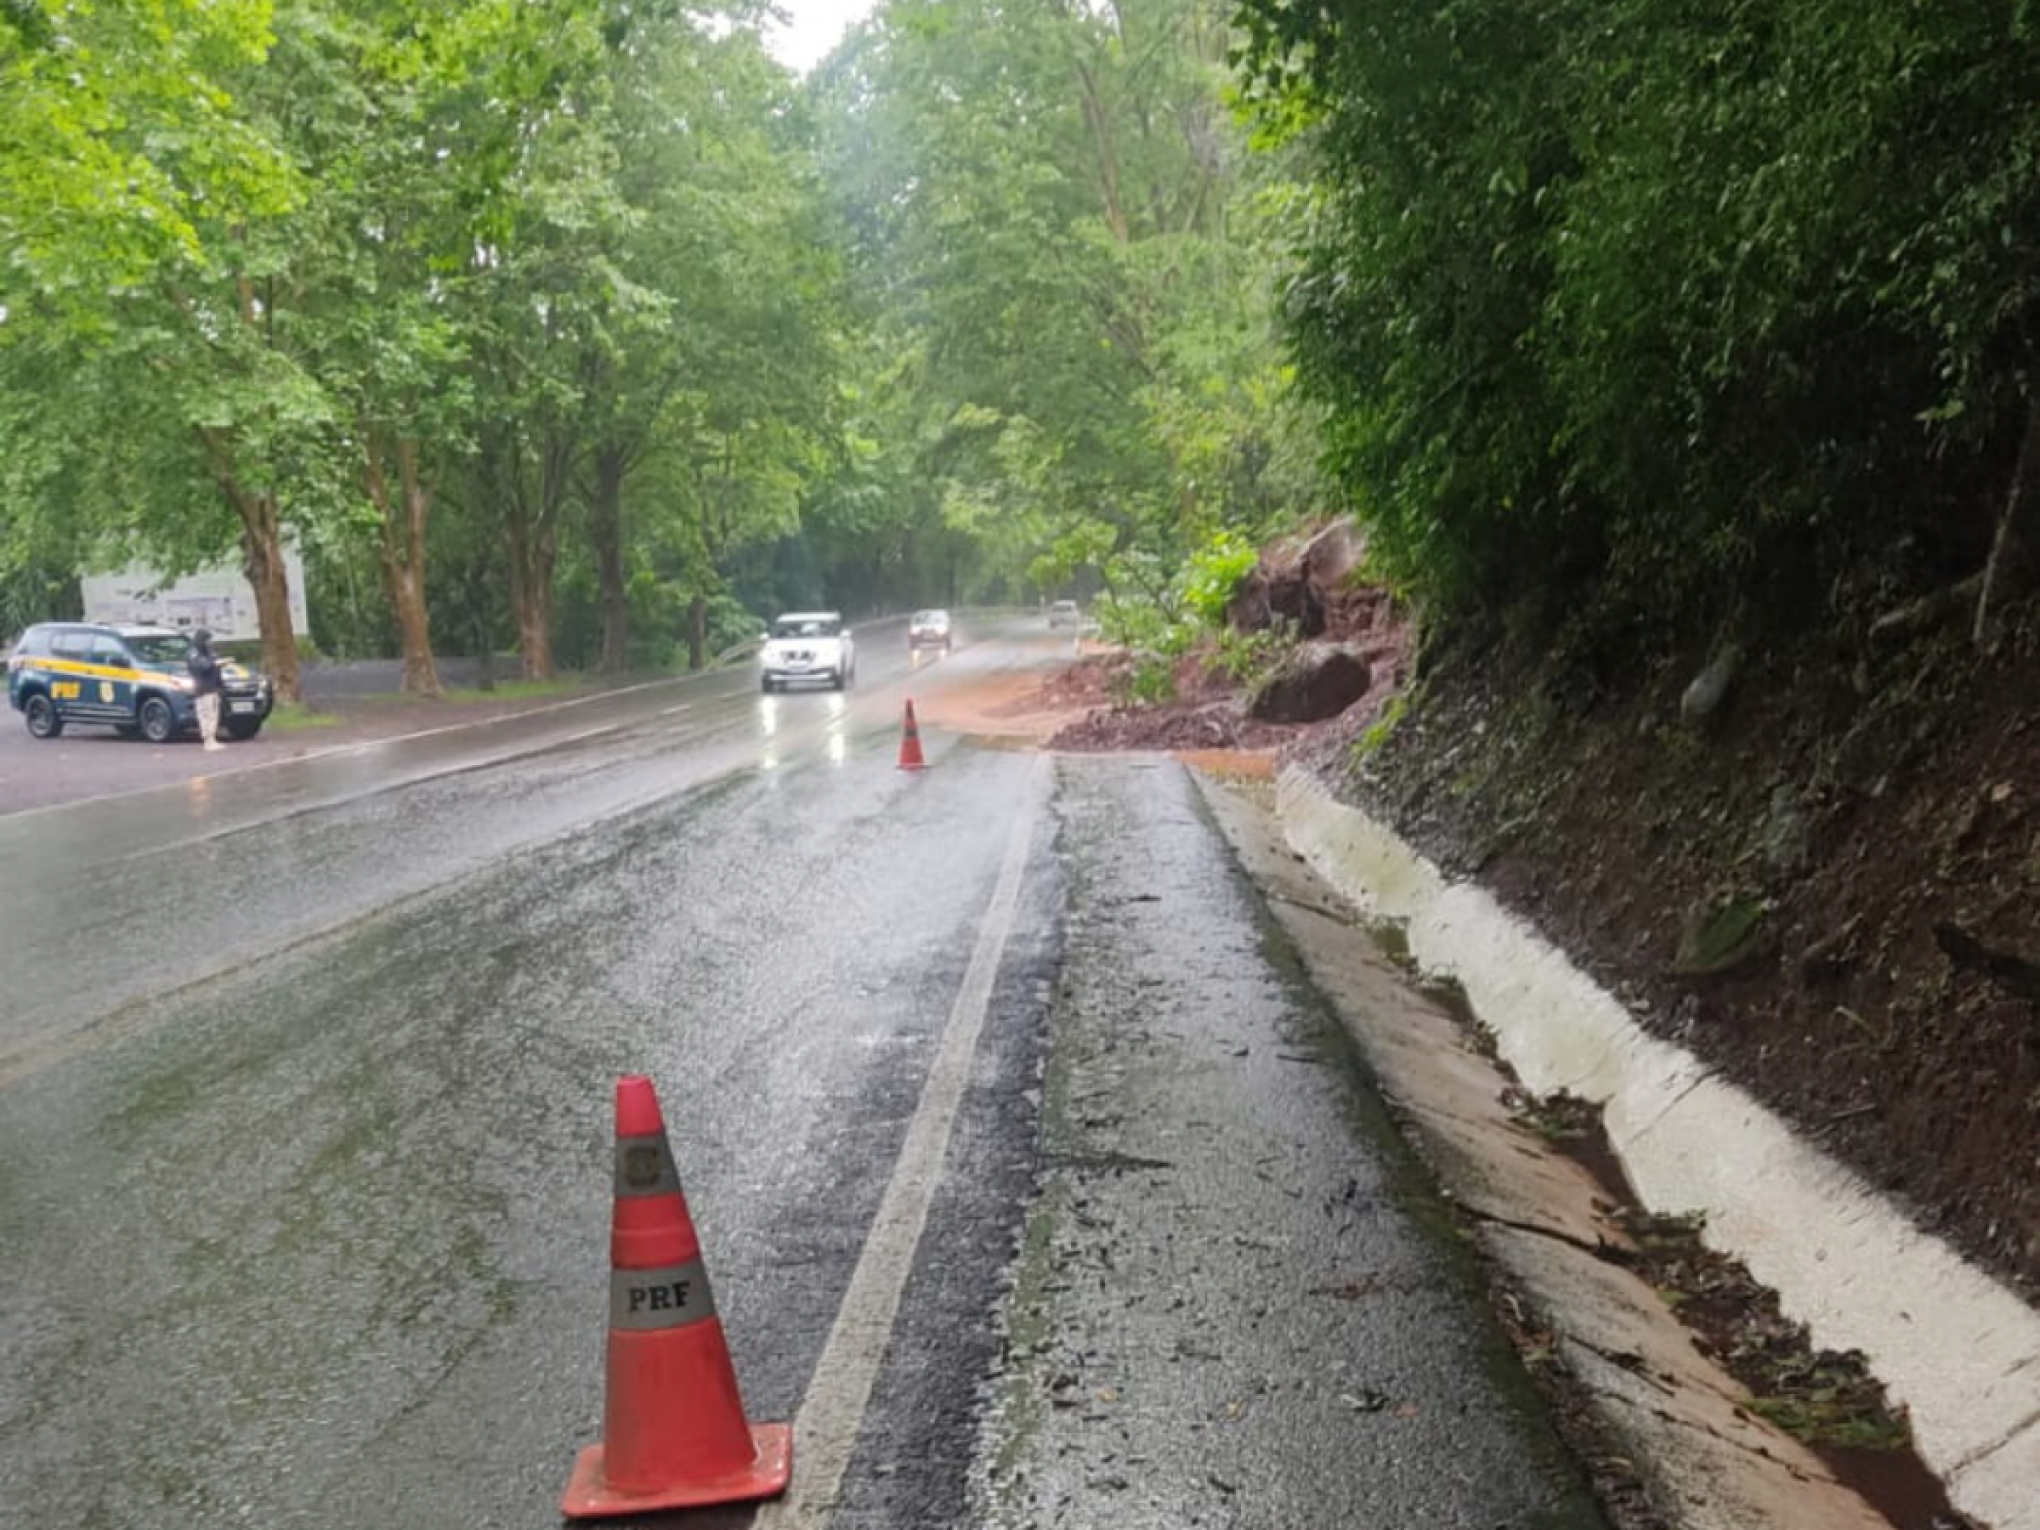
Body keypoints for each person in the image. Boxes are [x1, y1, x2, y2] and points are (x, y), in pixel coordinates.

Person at [187, 628, 226, 751]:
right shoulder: (194, 654)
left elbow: (215, 667)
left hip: (212, 687)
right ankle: (207, 740)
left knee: (214, 714)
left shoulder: (209, 652)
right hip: (202, 688)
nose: (210, 642)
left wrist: (220, 685)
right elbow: (202, 667)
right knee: (206, 714)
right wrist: (215, 663)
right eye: (208, 640)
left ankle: (212, 738)